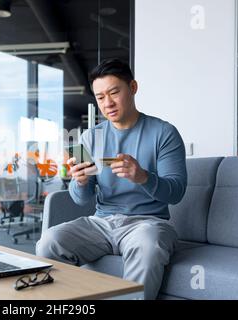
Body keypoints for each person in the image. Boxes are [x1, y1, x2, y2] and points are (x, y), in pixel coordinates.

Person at [36, 58, 187, 300]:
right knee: (50, 242)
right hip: (101, 223)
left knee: (149, 245)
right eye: (100, 97)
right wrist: (81, 182)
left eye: (114, 92)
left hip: (148, 222)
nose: (108, 103)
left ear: (133, 88)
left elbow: (177, 192)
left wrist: (143, 177)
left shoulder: (164, 133)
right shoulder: (89, 137)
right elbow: (79, 198)